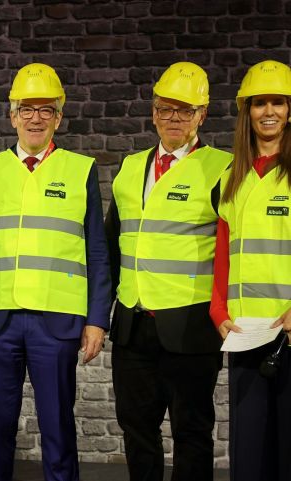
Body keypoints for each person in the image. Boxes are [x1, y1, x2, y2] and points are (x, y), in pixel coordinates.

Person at [0, 63, 111, 481]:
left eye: (45, 110)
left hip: (58, 320)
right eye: (26, 109)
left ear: (58, 117)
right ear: (11, 116)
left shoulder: (80, 169)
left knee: (57, 427)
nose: (35, 118)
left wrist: (97, 320)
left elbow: (97, 251)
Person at [105, 61, 231, 481]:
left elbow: (237, 251)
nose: (173, 118)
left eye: (184, 110)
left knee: (192, 432)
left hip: (190, 326)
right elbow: (110, 244)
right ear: (153, 111)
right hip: (132, 325)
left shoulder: (222, 168)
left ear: (202, 115)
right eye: (165, 109)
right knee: (136, 430)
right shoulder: (129, 167)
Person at [211, 59, 291, 481]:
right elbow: (223, 254)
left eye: (278, 102)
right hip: (246, 334)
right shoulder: (233, 177)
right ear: (248, 111)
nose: (269, 111)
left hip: (290, 331)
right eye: (260, 103)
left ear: (290, 110)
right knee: (249, 454)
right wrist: (218, 312)